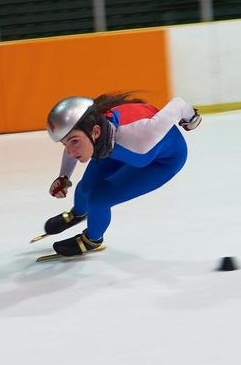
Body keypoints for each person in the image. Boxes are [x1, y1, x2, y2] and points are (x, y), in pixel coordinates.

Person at [37, 91, 202, 259]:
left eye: (74, 142)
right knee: (85, 187)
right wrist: (64, 177)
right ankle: (78, 213)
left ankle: (92, 239)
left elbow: (179, 104)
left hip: (162, 161)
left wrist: (192, 118)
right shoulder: (97, 131)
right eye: (65, 144)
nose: (70, 152)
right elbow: (73, 144)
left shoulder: (143, 135)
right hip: (119, 150)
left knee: (99, 199)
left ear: (95, 132)